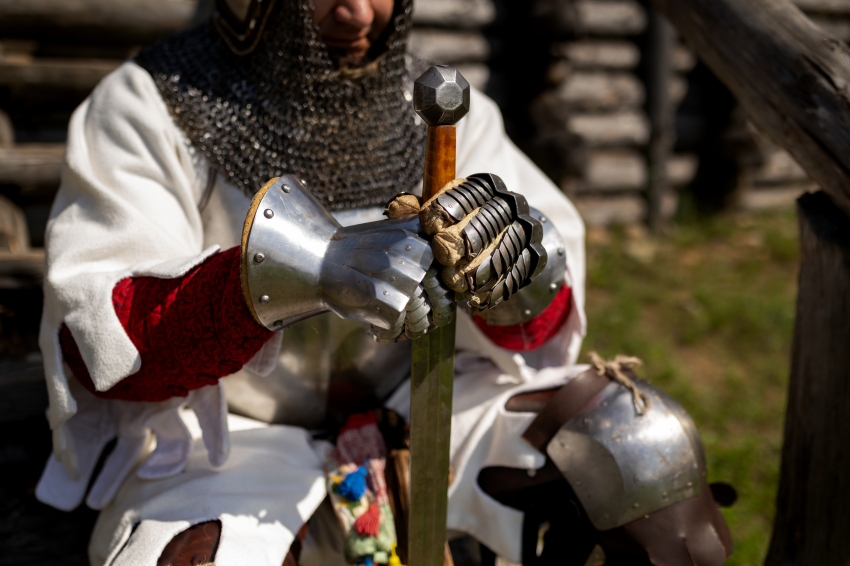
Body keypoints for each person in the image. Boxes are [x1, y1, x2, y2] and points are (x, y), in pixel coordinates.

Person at [35, 0, 732, 565]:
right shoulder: (149, 104)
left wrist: (514, 269)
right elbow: (102, 341)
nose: (356, 12)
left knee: (638, 450)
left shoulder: (446, 113)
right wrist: (306, 271)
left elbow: (544, 317)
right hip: (227, 435)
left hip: (423, 399)